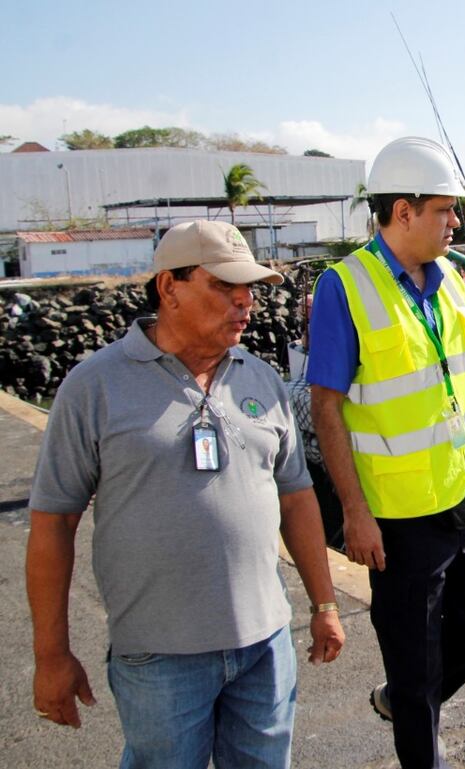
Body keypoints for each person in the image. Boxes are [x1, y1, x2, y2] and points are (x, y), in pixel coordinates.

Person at [26, 219, 345, 768]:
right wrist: (51, 655)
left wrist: (324, 605)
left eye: (250, 288)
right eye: (224, 286)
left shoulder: (261, 379)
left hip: (266, 646)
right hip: (159, 658)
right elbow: (53, 523)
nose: (245, 301)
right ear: (168, 287)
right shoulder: (94, 387)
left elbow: (296, 499)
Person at [308, 136, 465, 769]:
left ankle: (405, 699)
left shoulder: (447, 279)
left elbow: (458, 379)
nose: (455, 222)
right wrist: (355, 512)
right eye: (445, 210)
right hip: (400, 514)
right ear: (403, 212)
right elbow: (327, 406)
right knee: (414, 657)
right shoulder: (346, 288)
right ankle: (416, 723)